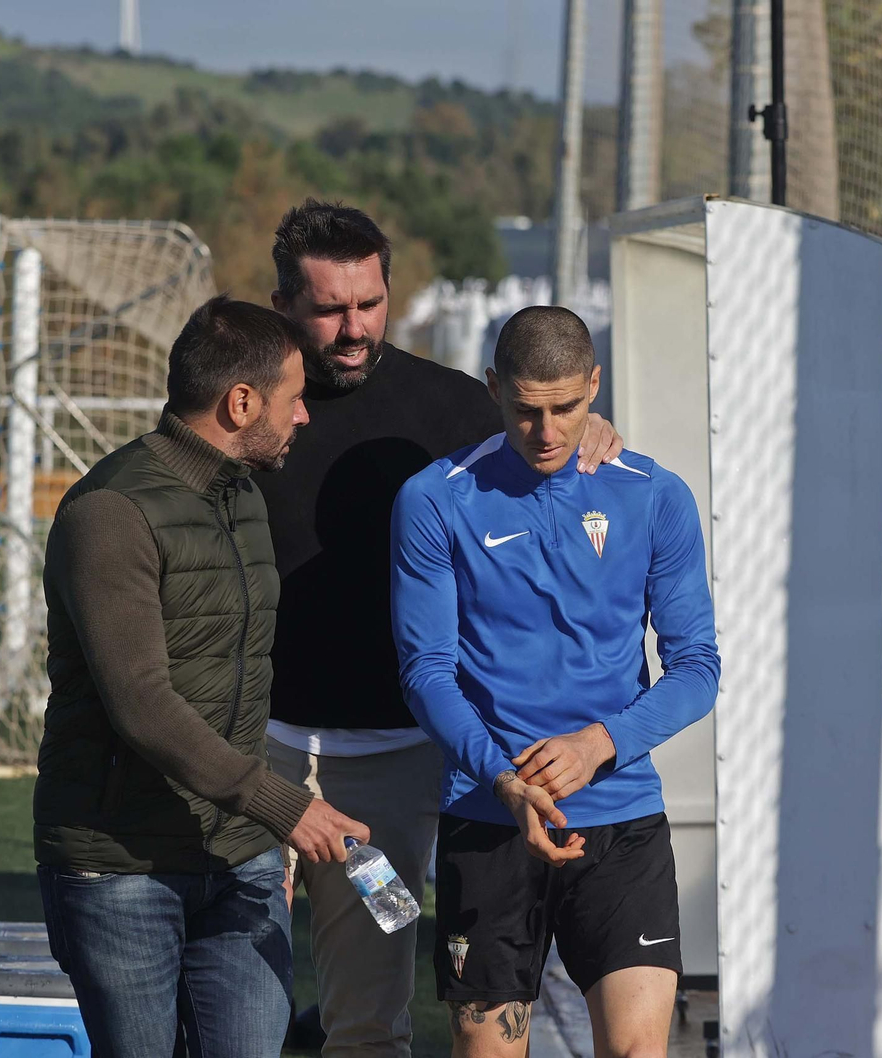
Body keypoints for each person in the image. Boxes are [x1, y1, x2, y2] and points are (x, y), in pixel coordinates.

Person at [255, 199, 622, 1057]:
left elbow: (552, 443)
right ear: (283, 308)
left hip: (390, 769)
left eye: (370, 303)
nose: (354, 327)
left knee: (367, 1020)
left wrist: (595, 433)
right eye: (330, 309)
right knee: (227, 999)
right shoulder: (250, 407)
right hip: (250, 753)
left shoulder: (453, 410)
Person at [35, 294, 368, 1058]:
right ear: (241, 401)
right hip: (122, 867)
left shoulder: (245, 496)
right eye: (294, 400)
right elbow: (143, 705)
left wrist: (257, 835)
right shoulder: (111, 513)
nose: (305, 418)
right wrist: (285, 810)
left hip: (240, 859)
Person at [389, 306, 720, 1058]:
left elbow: (698, 667)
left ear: (595, 386)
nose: (547, 431)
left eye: (567, 408)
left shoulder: (654, 496)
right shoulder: (436, 500)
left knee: (639, 1050)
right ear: (492, 388)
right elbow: (426, 672)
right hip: (491, 815)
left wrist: (602, 743)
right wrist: (505, 778)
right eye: (526, 409)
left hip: (622, 820)